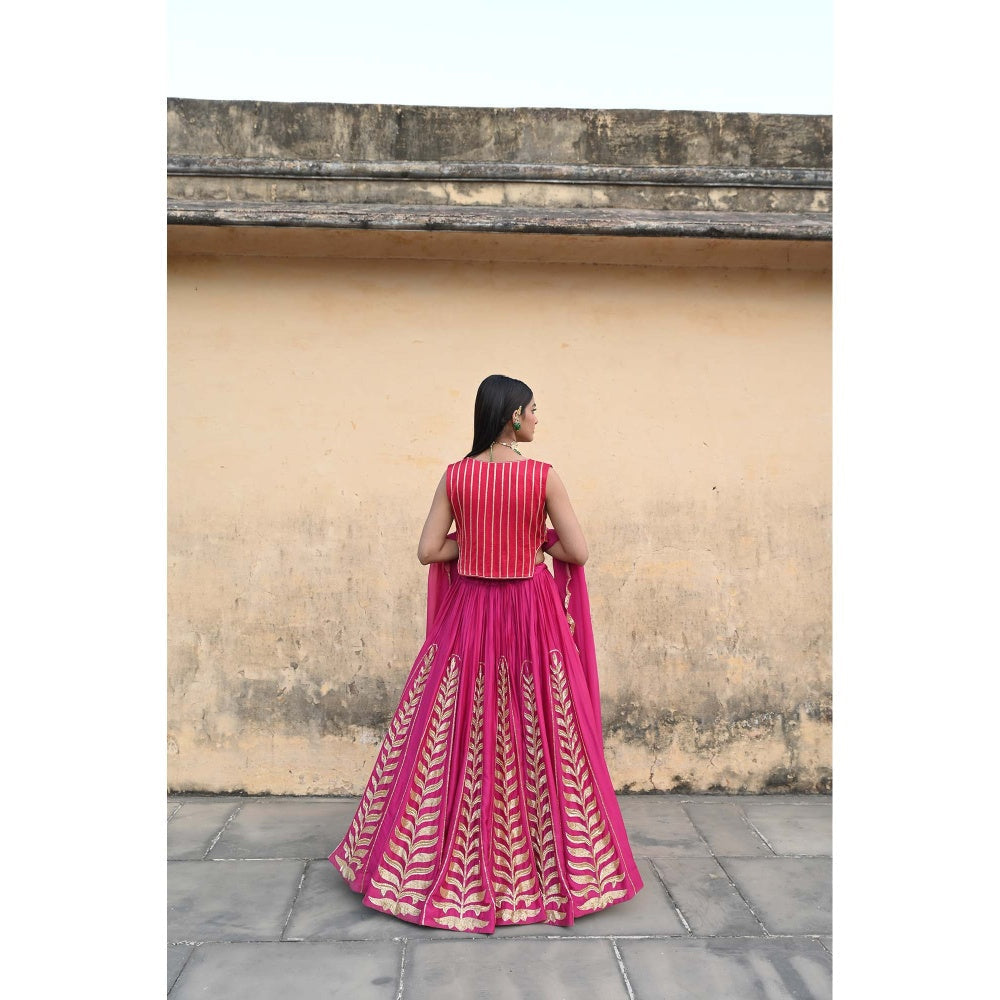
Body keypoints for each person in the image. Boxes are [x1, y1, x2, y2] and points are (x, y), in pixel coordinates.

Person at [329, 374, 644, 933]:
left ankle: (428, 861)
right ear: (513, 416)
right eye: (533, 409)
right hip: (531, 614)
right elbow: (578, 552)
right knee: (541, 726)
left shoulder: (456, 475)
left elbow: (428, 550)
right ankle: (547, 868)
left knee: (457, 725)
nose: (537, 419)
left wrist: (474, 543)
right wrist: (534, 539)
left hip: (470, 613)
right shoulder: (542, 476)